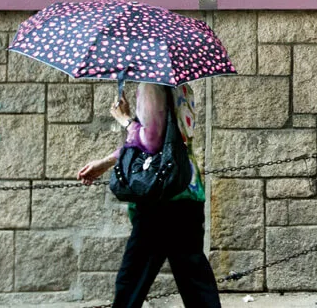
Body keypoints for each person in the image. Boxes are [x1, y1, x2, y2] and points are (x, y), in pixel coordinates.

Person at [77, 83, 221, 308]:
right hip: (187, 189)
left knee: (131, 280)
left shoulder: (150, 87)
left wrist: (124, 119)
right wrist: (105, 163)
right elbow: (164, 140)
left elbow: (150, 141)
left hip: (159, 198)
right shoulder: (182, 88)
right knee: (195, 281)